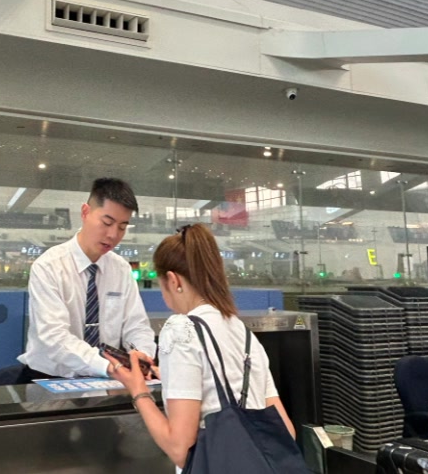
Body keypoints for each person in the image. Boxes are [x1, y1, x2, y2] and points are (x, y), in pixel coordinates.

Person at [111, 223, 295, 470]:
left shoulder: (180, 330)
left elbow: (180, 450)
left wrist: (138, 390)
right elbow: (286, 430)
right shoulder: (243, 332)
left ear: (173, 280)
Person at [16, 178, 156, 380]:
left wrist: (140, 355)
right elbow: (54, 337)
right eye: (107, 223)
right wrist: (108, 366)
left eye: (122, 227)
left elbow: (136, 326)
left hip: (107, 378)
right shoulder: (49, 266)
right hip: (51, 378)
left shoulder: (121, 269)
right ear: (85, 212)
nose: (113, 234)